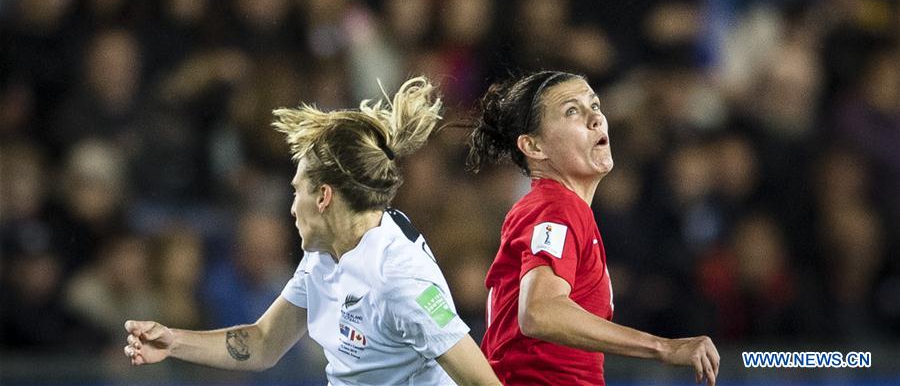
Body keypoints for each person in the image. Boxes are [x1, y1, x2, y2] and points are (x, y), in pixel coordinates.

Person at [124, 76, 502, 386]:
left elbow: (482, 383)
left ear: (323, 196)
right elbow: (263, 343)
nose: (291, 207)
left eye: (296, 191)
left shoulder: (399, 278)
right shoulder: (324, 253)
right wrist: (174, 342)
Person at [467, 71, 720, 386]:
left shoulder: (555, 208)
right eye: (571, 110)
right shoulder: (556, 207)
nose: (596, 119)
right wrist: (663, 347)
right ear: (533, 146)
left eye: (595, 105)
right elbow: (539, 311)